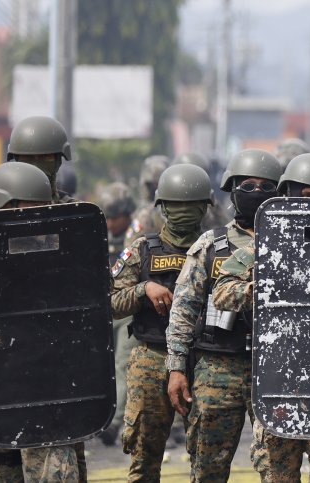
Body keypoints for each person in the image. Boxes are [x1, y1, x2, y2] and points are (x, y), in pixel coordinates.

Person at [212, 153, 310, 481]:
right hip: (279, 379)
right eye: (306, 197)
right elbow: (223, 293)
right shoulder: (265, 242)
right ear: (289, 197)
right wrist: (262, 289)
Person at [0, 162, 86, 482]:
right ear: (2, 207)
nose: (36, 221)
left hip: (51, 392)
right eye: (29, 211)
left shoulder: (59, 259)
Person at [166, 148, 283, 481]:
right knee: (207, 467)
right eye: (248, 185)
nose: (257, 193)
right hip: (218, 369)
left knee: (275, 465)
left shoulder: (291, 242)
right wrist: (176, 368)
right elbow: (184, 309)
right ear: (233, 190)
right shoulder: (211, 244)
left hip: (273, 368)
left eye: (266, 186)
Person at [111, 164, 213, 481]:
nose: (183, 212)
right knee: (144, 458)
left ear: (205, 208)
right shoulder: (142, 249)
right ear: (163, 207)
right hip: (151, 358)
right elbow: (110, 303)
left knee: (208, 461)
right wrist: (144, 289)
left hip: (205, 360)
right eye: (177, 205)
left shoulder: (217, 250)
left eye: (191, 205)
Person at [98, 182, 140, 446]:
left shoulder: (137, 234)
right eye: (109, 217)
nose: (112, 223)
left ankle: (114, 424)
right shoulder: (97, 234)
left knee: (122, 366)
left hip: (127, 313)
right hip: (103, 312)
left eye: (116, 217)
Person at [5, 115, 77, 203]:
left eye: (45, 157)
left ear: (57, 162)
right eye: (28, 158)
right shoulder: (1, 207)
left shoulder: (71, 210)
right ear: (17, 159)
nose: (36, 165)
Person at [131, 155, 170, 239]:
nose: (154, 187)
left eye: (157, 183)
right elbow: (129, 247)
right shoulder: (142, 215)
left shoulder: (176, 208)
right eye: (151, 185)